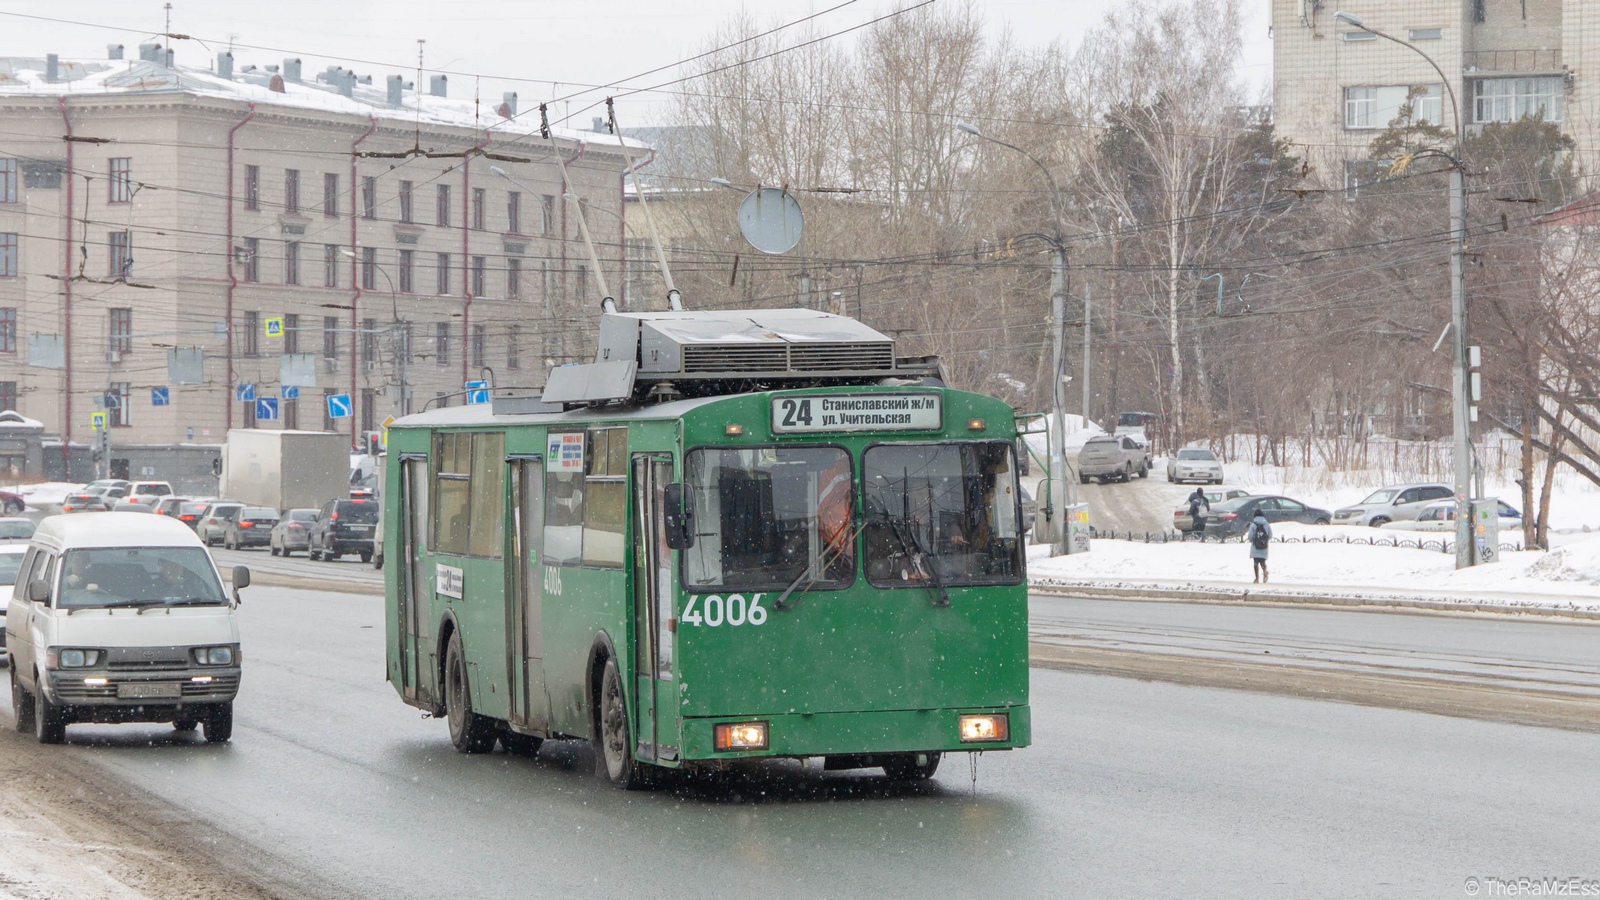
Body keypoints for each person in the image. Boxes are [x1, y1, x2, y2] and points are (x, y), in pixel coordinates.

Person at [1246, 508, 1272, 583]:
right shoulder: (1266, 524)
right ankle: (1264, 572)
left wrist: (1254, 541)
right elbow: (1270, 535)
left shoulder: (1253, 525)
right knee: (1263, 562)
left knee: (1256, 562)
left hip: (1255, 546)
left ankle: (1257, 578)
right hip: (1264, 546)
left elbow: (1250, 537)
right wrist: (1264, 540)